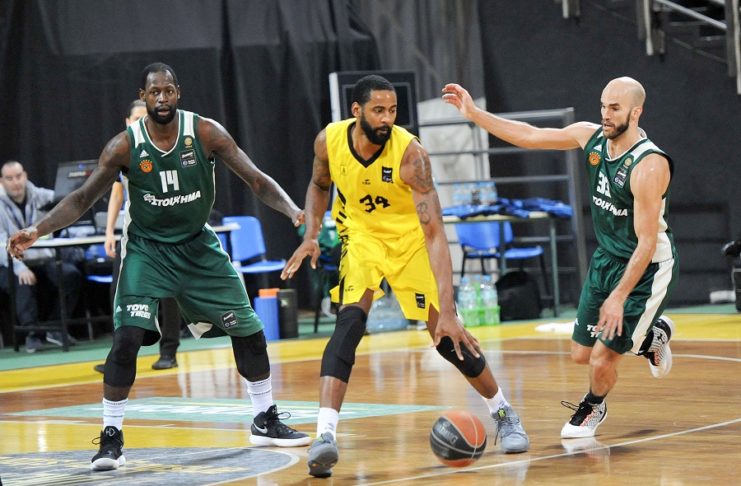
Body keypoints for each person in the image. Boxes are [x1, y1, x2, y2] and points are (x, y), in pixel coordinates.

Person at [7, 62, 311, 471]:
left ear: (178, 93)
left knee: (250, 331)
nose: (162, 98)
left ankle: (264, 418)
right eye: (155, 92)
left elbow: (256, 179)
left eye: (168, 91)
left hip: (197, 246)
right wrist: (37, 230)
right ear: (144, 96)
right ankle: (111, 437)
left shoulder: (205, 133)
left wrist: (292, 210)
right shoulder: (124, 147)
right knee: (127, 339)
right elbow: (81, 199)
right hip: (147, 251)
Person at [281, 74, 530, 478]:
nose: (387, 118)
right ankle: (325, 435)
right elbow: (318, 184)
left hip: (411, 242)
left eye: (392, 110)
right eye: (378, 110)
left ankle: (504, 413)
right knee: (348, 325)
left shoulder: (411, 155)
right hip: (362, 239)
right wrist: (311, 235)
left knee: (448, 338)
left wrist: (448, 310)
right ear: (356, 111)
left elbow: (435, 235)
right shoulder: (329, 141)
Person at [442, 77, 678, 439]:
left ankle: (593, 406)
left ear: (636, 112)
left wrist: (618, 298)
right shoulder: (591, 137)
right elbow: (530, 135)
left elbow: (646, 243)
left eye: (615, 108)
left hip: (646, 266)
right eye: (603, 105)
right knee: (581, 353)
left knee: (602, 358)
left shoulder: (649, 165)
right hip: (607, 260)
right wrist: (475, 114)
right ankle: (651, 338)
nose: (605, 114)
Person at [93, 99, 181, 373]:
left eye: (147, 117)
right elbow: (117, 194)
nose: (143, 122)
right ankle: (120, 354)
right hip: (133, 232)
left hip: (166, 232)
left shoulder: (166, 146)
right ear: (127, 122)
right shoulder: (123, 149)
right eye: (137, 118)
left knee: (167, 292)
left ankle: (169, 351)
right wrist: (109, 231)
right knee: (120, 290)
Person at [0, 160, 82, 352]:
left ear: (25, 176)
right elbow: (1, 242)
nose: (15, 182)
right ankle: (32, 333)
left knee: (70, 275)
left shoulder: (42, 196)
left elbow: (65, 202)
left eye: (18, 176)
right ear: (2, 182)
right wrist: (20, 267)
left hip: (45, 259)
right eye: (9, 178)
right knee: (22, 281)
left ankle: (55, 328)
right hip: (13, 262)